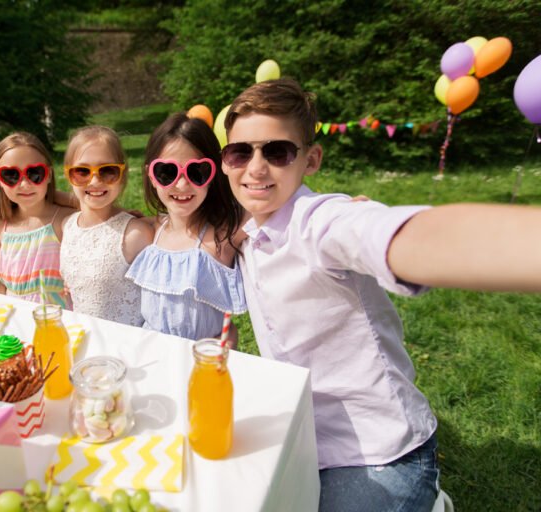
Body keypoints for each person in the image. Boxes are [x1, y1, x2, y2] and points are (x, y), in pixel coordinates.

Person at [221, 77, 541, 512]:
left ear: (311, 159)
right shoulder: (250, 232)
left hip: (378, 453)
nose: (255, 168)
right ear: (225, 162)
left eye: (277, 152)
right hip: (301, 435)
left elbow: (391, 234)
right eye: (241, 152)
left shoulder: (322, 223)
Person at [125, 113, 246, 343]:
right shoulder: (151, 230)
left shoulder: (222, 235)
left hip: (201, 368)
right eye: (167, 172)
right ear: (151, 175)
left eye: (196, 172)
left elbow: (273, 210)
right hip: (152, 362)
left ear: (214, 174)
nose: (181, 185)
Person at [59, 126, 153, 325]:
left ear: (122, 174)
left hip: (125, 348)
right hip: (84, 340)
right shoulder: (67, 227)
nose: (94, 181)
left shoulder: (135, 235)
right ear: (68, 175)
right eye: (82, 172)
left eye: (107, 171)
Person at [0, 132, 75, 306]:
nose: (25, 185)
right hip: (13, 319)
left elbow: (91, 205)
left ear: (48, 174)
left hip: (56, 321)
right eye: (11, 175)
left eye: (35, 173)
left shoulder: (64, 222)